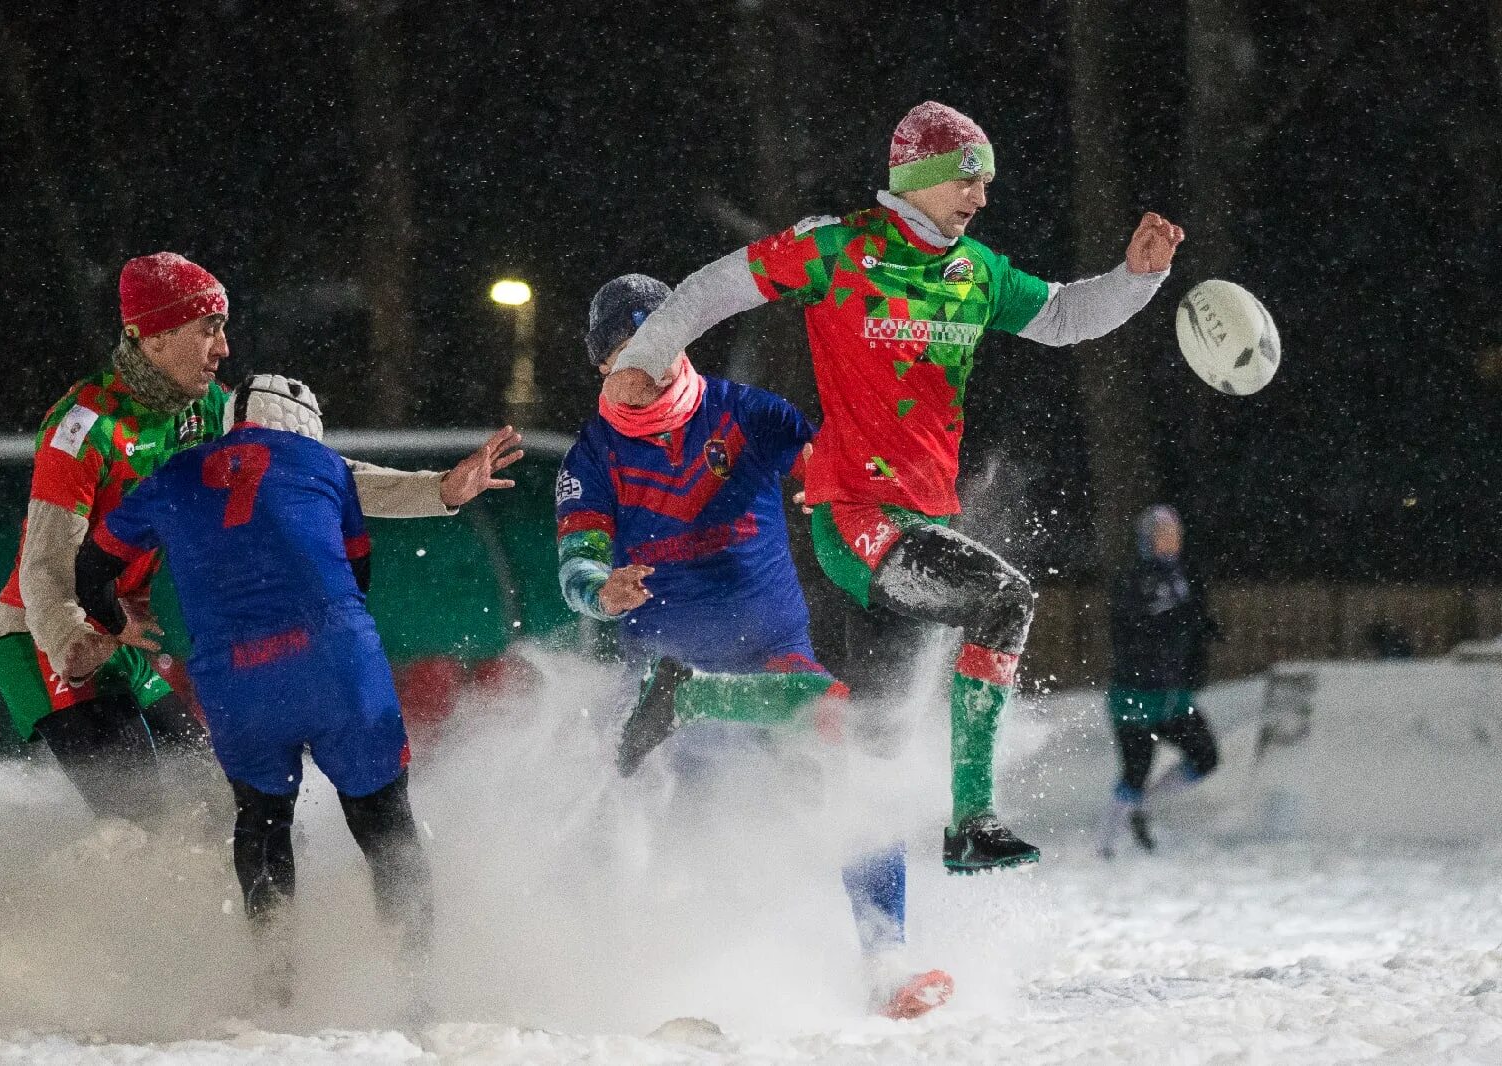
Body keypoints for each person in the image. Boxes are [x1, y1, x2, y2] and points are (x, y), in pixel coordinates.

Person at [601, 100, 1184, 873]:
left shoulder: (978, 275)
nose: (979, 200)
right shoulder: (838, 248)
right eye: (965, 182)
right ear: (916, 178)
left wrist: (1138, 279)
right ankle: (970, 821)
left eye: (986, 186)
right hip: (853, 514)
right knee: (1004, 597)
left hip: (924, 522)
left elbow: (1066, 315)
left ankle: (687, 695)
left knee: (862, 722)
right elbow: (718, 287)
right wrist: (650, 350)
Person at [0, 251, 509, 824]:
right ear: (154, 337)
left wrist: (439, 491)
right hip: (42, 635)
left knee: (216, 814)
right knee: (151, 824)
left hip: (115, 635)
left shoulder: (207, 408)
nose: (224, 347)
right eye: (209, 328)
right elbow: (45, 560)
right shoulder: (83, 428)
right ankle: (45, 911)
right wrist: (70, 641)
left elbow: (304, 474)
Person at [557, 274, 952, 1020]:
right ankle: (623, 983)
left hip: (772, 655)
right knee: (659, 814)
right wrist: (598, 588)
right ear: (601, 364)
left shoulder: (751, 415)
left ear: (685, 342)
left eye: (660, 343)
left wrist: (849, 489)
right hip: (658, 683)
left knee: (844, 768)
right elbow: (576, 565)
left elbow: (837, 478)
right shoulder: (592, 457)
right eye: (625, 352)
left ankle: (886, 962)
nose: (648, 367)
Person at [73, 374, 521, 1003]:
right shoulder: (324, 464)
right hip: (334, 660)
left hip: (234, 676)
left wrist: (120, 623)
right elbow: (357, 570)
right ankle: (421, 981)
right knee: (385, 821)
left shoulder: (173, 475)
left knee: (260, 818)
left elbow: (90, 566)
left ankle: (275, 982)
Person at [1097, 505, 1221, 857]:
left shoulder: (1185, 576)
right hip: (1135, 693)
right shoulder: (1132, 580)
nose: (1171, 540)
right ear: (1147, 539)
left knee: (1205, 757)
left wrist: (1197, 658)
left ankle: (1143, 807)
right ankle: (1104, 844)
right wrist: (1180, 621)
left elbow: (1190, 627)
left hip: (1172, 695)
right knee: (1136, 770)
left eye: (1175, 533)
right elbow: (1138, 630)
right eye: (1162, 534)